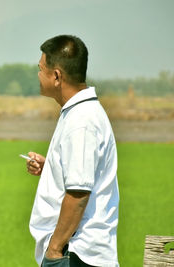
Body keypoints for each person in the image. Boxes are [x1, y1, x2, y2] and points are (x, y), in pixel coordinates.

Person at [26, 35, 120, 267]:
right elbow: (81, 175)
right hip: (75, 253)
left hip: (77, 255)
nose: (37, 75)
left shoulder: (81, 121)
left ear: (56, 76)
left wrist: (54, 251)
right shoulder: (79, 113)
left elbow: (79, 193)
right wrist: (51, 168)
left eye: (40, 69)